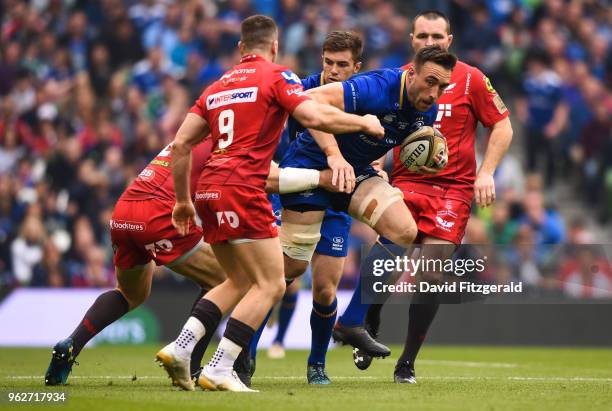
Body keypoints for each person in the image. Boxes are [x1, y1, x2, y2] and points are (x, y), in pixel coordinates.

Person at [156, 15, 385, 392]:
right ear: (275, 47)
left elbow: (180, 146)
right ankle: (220, 367)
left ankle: (181, 348)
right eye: (328, 61)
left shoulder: (217, 86)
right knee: (272, 283)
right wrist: (364, 124)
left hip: (209, 188)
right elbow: (312, 115)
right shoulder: (282, 77)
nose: (332, 69)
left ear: (240, 48)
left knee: (240, 280)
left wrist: (182, 201)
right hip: (251, 187)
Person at [44, 133, 341, 386]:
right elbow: (269, 179)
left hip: (125, 211)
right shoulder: (231, 142)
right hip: (159, 214)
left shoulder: (195, 135)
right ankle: (191, 363)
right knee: (233, 278)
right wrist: (322, 178)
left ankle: (72, 344)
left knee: (131, 293)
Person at [332, 10, 513, 384]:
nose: (430, 42)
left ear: (449, 41)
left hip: (453, 189)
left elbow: (502, 125)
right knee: (390, 254)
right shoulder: (399, 79)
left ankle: (407, 364)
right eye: (423, 37)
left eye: (437, 36)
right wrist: (378, 163)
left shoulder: (472, 79)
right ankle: (370, 318)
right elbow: (381, 127)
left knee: (432, 271)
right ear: (412, 41)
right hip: (408, 182)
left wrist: (488, 172)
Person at [275, 43, 457, 382]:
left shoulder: (427, 113)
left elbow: (393, 142)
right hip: (315, 165)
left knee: (404, 229)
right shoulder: (375, 87)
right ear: (411, 73)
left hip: (355, 174)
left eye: (443, 86)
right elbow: (309, 102)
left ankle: (352, 321)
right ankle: (239, 352)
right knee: (288, 272)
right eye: (430, 82)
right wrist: (333, 153)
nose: (435, 93)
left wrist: (428, 162)